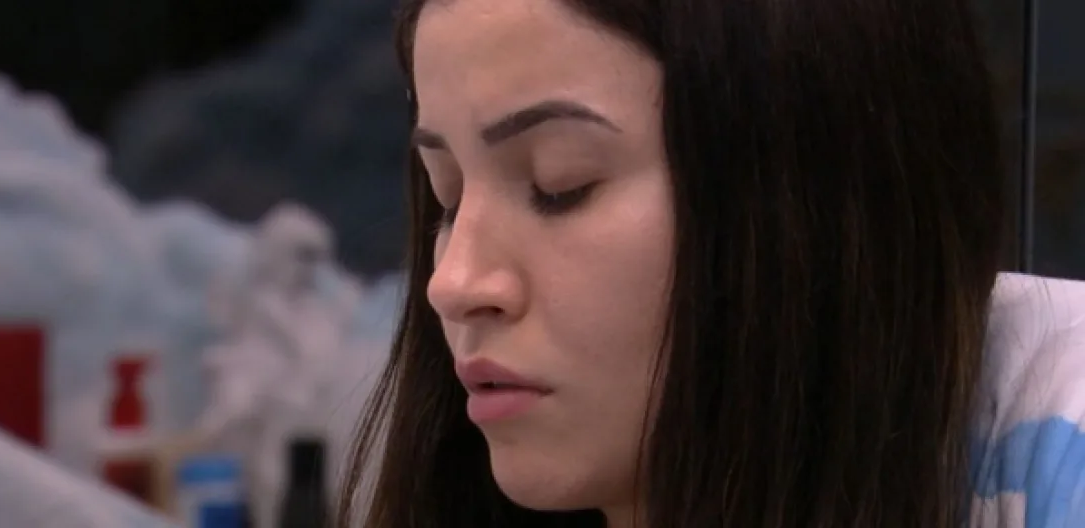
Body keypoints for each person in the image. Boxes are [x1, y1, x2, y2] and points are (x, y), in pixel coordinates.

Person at [336, 0, 1085, 526]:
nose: (453, 283)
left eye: (560, 185)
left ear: (808, 185)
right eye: (447, 199)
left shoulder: (1056, 431)